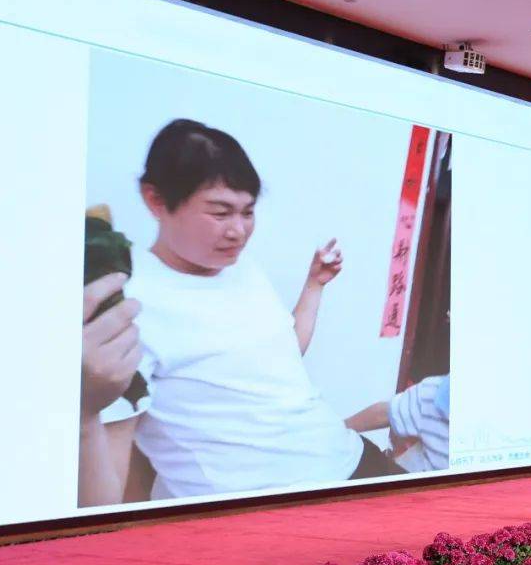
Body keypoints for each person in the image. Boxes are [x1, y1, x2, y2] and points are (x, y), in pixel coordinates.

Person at [79, 118, 404, 506]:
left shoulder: (241, 267)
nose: (238, 231)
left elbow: (284, 357)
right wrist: (84, 415)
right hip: (269, 509)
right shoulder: (125, 300)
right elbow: (104, 495)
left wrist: (314, 286)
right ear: (156, 200)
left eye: (247, 212)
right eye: (220, 213)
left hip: (352, 462)